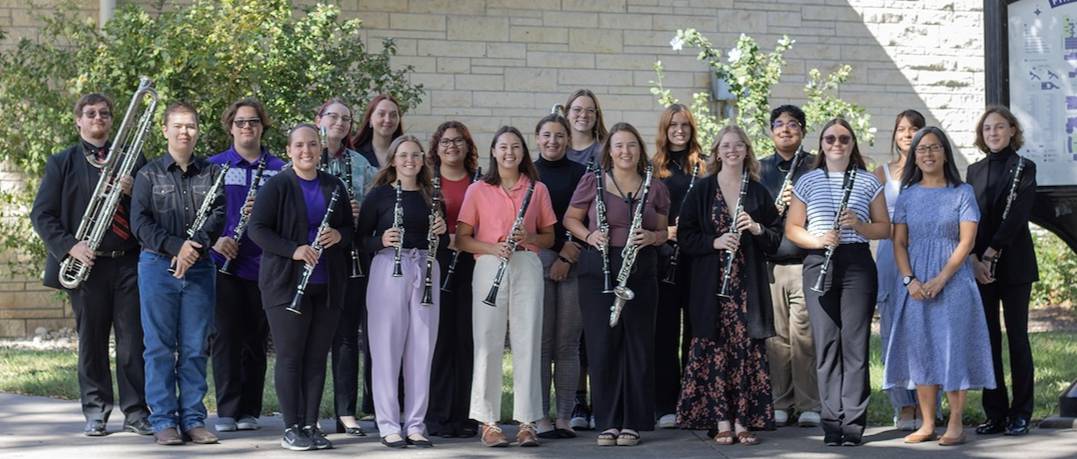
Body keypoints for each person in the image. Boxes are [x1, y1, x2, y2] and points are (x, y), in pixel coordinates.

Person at [30, 92, 151, 437]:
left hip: (128, 262)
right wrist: (70, 247)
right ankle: (96, 411)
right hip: (87, 266)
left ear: (112, 120)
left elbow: (152, 211)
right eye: (90, 113)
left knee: (132, 341)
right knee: (92, 342)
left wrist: (134, 192)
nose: (98, 118)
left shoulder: (133, 159)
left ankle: (136, 411)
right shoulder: (62, 162)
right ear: (79, 121)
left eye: (104, 113)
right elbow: (42, 214)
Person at [885, 126, 996, 447]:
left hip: (955, 281)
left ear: (945, 152)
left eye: (934, 148)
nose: (928, 154)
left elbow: (967, 241)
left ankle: (956, 422)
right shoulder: (907, 195)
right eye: (922, 149)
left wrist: (942, 278)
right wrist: (910, 280)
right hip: (916, 283)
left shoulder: (962, 193)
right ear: (915, 157)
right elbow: (899, 243)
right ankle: (928, 423)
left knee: (952, 349)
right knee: (921, 350)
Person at [247, 124, 353, 451]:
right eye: (299, 146)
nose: (306, 151)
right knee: (291, 357)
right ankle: (291, 427)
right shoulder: (277, 185)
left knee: (316, 357)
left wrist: (338, 236)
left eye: (312, 145)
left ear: (320, 148)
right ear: (289, 150)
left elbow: (350, 229)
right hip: (285, 285)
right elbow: (257, 229)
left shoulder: (334, 185)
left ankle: (310, 424)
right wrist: (293, 249)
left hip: (327, 284)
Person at [564, 122, 670, 447]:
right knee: (602, 345)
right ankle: (607, 421)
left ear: (640, 150)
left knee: (637, 346)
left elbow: (665, 232)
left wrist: (652, 236)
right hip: (599, 267)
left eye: (632, 145)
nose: (626, 151)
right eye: (619, 145)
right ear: (609, 150)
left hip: (641, 267)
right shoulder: (591, 181)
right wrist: (590, 235)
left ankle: (633, 423)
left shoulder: (655, 187)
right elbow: (571, 219)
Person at [784, 118, 889, 446]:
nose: (837, 144)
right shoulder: (808, 180)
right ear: (822, 144)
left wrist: (858, 225)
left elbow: (884, 227)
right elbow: (793, 229)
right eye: (830, 139)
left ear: (852, 143)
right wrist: (818, 240)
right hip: (819, 261)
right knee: (827, 345)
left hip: (856, 263)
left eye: (844, 139)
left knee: (855, 346)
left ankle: (854, 424)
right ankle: (832, 423)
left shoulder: (868, 181)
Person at [675, 125, 780, 446]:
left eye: (738, 146)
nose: (732, 150)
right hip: (712, 287)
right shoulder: (702, 190)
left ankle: (742, 419)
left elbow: (776, 239)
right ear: (717, 152)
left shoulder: (758, 192)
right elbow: (685, 237)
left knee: (745, 350)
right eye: (725, 146)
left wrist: (758, 228)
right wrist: (716, 240)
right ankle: (721, 420)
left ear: (747, 151)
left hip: (746, 289)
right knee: (716, 351)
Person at [130, 101, 225, 446]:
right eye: (178, 126)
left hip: (199, 268)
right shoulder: (148, 174)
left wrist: (193, 247)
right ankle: (163, 421)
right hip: (157, 267)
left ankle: (194, 420)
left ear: (197, 131)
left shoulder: (212, 173)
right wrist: (175, 247)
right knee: (158, 348)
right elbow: (140, 223)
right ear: (165, 130)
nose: (185, 132)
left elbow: (217, 217)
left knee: (195, 347)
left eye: (191, 126)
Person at [455, 126, 557, 448]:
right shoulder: (477, 190)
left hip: (526, 264)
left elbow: (550, 238)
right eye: (503, 147)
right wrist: (490, 248)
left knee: (528, 341)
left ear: (523, 152)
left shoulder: (537, 189)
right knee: (487, 342)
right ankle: (489, 421)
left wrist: (528, 238)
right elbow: (461, 239)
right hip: (489, 265)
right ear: (494, 152)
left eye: (515, 147)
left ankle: (527, 422)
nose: (509, 152)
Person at [356, 135, 448, 448]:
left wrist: (443, 232)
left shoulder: (431, 196)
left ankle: (416, 424)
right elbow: (360, 240)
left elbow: (443, 245)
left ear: (423, 160)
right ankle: (388, 424)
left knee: (422, 348)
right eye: (403, 155)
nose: (410, 160)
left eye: (416, 155)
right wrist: (380, 240)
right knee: (386, 349)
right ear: (393, 159)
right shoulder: (380, 196)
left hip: (425, 268)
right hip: (388, 269)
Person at [208, 98, 286, 434]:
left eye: (253, 121)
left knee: (256, 339)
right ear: (230, 126)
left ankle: (249, 409)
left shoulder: (279, 168)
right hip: (225, 262)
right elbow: (202, 212)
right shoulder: (215, 165)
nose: (247, 128)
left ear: (261, 126)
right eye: (240, 122)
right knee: (225, 337)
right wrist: (216, 241)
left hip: (265, 265)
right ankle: (227, 409)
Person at [967, 105, 1038, 437]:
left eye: (999, 127)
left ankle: (1021, 412)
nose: (993, 133)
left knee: (1018, 339)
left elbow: (1018, 214)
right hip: (980, 265)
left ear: (1012, 130)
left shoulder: (1025, 167)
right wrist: (975, 259)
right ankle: (995, 412)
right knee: (988, 340)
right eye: (987, 129)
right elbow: (968, 219)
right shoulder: (973, 171)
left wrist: (993, 250)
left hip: (1014, 263)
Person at [314, 98, 378, 437]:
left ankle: (345, 412)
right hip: (312, 257)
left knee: (346, 337)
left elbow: (376, 206)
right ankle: (307, 412)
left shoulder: (360, 163)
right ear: (319, 119)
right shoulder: (306, 153)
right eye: (333, 116)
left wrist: (360, 213)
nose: (339, 122)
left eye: (346, 118)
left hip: (349, 256)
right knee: (312, 337)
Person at [758, 105, 820, 428]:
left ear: (802, 130)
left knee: (804, 336)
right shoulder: (760, 168)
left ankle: (810, 403)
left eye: (792, 125)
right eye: (778, 124)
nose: (785, 129)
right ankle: (780, 402)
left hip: (804, 261)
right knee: (777, 338)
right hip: (771, 263)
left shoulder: (814, 165)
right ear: (771, 131)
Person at [425, 121, 482, 439]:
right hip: (437, 262)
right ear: (436, 147)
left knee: (466, 340)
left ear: (467, 146)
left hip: (472, 263)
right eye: (445, 141)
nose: (452, 146)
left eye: (459, 141)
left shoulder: (479, 181)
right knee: (439, 339)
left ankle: (464, 415)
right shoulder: (426, 182)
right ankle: (438, 415)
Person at [533, 113, 588, 439]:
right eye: (547, 136)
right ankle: (540, 417)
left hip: (574, 261)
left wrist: (568, 254)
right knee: (541, 343)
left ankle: (565, 417)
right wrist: (553, 252)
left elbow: (589, 219)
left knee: (568, 343)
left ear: (568, 140)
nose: (552, 141)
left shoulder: (582, 174)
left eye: (559, 136)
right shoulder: (528, 174)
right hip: (536, 260)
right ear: (537, 138)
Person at [872, 109, 927, 431]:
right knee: (894, 329)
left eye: (914, 128)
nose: (907, 134)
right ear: (894, 135)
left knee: (924, 329)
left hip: (926, 255)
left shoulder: (934, 171)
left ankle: (926, 401)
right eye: (901, 129)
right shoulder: (882, 173)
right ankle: (903, 404)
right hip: (892, 257)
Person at [651, 104, 704, 429]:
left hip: (698, 258)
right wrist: (666, 232)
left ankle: (693, 401)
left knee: (696, 333)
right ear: (665, 129)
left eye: (685, 125)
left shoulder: (705, 166)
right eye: (673, 125)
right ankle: (665, 405)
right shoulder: (654, 168)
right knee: (665, 332)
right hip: (664, 256)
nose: (679, 130)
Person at [353, 94, 404, 169]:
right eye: (381, 114)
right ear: (370, 120)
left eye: (393, 115)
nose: (387, 120)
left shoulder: (405, 153)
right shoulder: (355, 154)